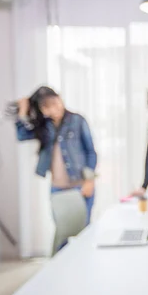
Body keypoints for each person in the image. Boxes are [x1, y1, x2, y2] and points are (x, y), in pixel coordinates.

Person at [14, 86, 97, 224]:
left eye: (55, 102)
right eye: (47, 106)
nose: (54, 108)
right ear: (42, 110)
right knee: (62, 234)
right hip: (58, 189)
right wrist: (23, 111)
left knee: (84, 233)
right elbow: (22, 135)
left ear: (60, 99)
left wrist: (89, 181)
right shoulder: (44, 127)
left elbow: (91, 152)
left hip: (80, 186)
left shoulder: (77, 121)